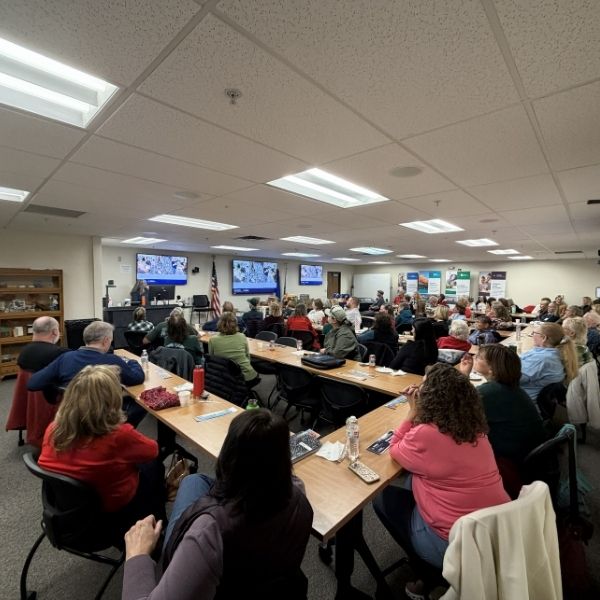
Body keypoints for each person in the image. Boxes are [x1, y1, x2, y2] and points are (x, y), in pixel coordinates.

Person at [122, 409, 313, 600]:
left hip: (215, 569)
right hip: (267, 581)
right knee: (194, 481)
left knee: (191, 482)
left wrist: (136, 555)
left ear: (228, 456)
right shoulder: (300, 497)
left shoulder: (209, 534)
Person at [373, 364, 509, 597]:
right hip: (495, 531)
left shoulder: (426, 434)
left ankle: (426, 571)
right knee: (413, 480)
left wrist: (412, 412)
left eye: (424, 383)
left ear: (431, 396)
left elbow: (395, 449)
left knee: (384, 498)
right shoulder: (475, 428)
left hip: (454, 543)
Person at [39, 365, 165, 536]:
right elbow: (153, 451)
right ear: (112, 399)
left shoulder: (53, 429)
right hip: (107, 519)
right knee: (152, 465)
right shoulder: (118, 435)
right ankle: (156, 527)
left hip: (64, 516)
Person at [28, 321, 146, 425]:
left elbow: (33, 383)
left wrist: (60, 384)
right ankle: (123, 433)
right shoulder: (112, 360)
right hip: (102, 416)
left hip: (72, 415)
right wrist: (133, 362)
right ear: (106, 341)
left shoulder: (65, 358)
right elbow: (137, 378)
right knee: (141, 403)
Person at [459, 345, 545, 465]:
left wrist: (463, 376)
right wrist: (464, 375)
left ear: (491, 369)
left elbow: (456, 409)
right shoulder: (511, 387)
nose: (475, 358)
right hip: (528, 451)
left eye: (479, 357)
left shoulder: (490, 392)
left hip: (510, 460)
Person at [519, 322, 578, 401]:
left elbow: (513, 378)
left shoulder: (543, 359)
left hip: (523, 400)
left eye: (534, 333)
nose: (532, 335)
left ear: (543, 338)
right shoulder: (553, 353)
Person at [208, 312, 259, 386]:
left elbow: (212, 360)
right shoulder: (242, 336)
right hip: (247, 377)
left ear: (220, 323)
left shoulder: (213, 340)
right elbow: (248, 357)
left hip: (224, 378)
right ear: (235, 324)